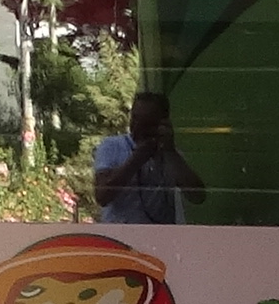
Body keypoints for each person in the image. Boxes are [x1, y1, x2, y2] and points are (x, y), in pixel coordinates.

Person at [89, 92, 207, 226]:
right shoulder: (113, 146)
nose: (137, 127)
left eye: (146, 123)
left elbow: (197, 196)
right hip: (121, 233)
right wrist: (136, 160)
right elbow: (102, 196)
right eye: (135, 118)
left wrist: (170, 151)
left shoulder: (170, 155)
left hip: (160, 234)